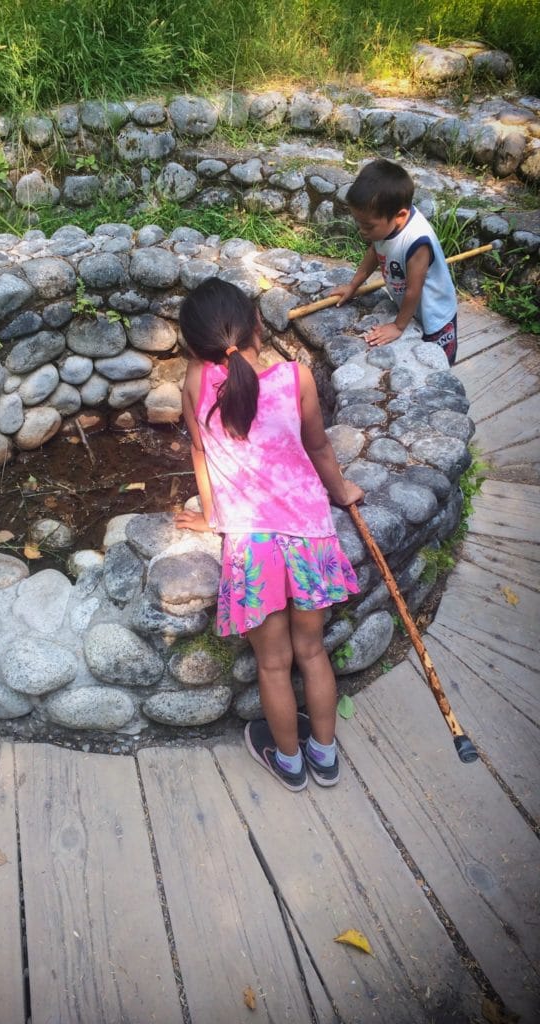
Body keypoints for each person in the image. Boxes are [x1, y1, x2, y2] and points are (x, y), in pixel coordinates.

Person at [175, 278, 364, 792]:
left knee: (274, 664)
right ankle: (324, 757)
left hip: (252, 546)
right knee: (313, 652)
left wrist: (212, 518)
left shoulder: (195, 380)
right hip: (308, 538)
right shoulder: (296, 378)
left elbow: (199, 455)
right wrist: (342, 489)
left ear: (195, 347)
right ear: (259, 324)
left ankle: (289, 763)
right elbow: (320, 448)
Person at [329, 158, 459, 365]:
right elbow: (374, 251)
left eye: (368, 226)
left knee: (437, 362)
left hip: (435, 315)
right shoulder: (385, 227)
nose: (362, 230)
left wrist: (398, 327)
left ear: (400, 216)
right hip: (411, 307)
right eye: (358, 222)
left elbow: (413, 291)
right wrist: (353, 285)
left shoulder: (417, 242)